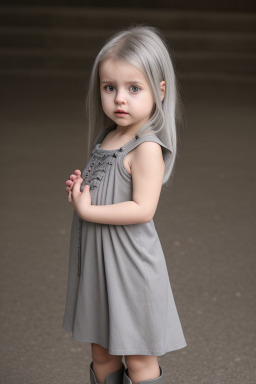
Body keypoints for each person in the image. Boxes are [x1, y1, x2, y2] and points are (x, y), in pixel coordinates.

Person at [62, 25, 187, 384]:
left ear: (159, 92)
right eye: (109, 87)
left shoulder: (146, 147)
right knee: (101, 353)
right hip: (100, 267)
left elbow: (143, 209)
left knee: (139, 359)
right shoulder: (108, 136)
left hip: (131, 270)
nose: (120, 98)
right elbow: (104, 190)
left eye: (134, 88)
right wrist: (81, 193)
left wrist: (89, 210)